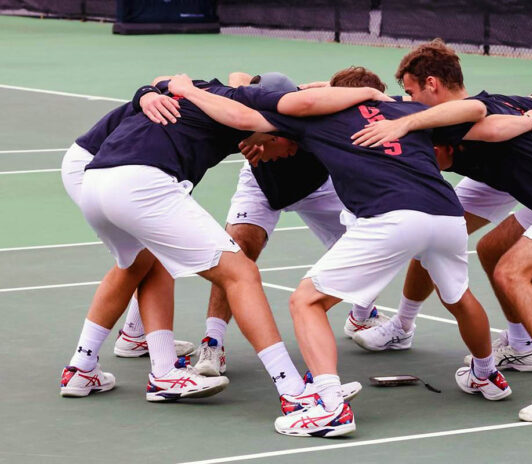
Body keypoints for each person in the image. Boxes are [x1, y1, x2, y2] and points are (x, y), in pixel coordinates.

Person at [167, 67, 532, 436]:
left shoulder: (316, 119)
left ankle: (330, 407)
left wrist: (189, 90)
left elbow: (240, 109)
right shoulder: (409, 108)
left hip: (392, 216)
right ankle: (485, 375)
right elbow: (477, 110)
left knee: (307, 302)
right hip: (446, 214)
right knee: (459, 298)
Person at [61, 75, 381, 405]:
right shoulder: (249, 105)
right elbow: (296, 105)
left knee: (141, 265)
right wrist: (371, 93)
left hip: (97, 183)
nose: (292, 152)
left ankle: (87, 367)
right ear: (274, 130)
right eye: (293, 142)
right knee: (241, 274)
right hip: (140, 182)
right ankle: (294, 392)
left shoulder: (206, 91)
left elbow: (165, 80)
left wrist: (148, 92)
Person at [352, 58, 532, 421]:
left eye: (412, 89)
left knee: (514, 273)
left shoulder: (471, 113)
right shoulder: (472, 111)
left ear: (432, 83)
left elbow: (499, 122)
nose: (408, 96)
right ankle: (516, 346)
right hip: (519, 185)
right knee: (455, 238)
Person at [194, 69, 388, 378]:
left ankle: (362, 315)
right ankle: (213, 343)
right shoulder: (272, 107)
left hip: (319, 188)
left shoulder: (328, 117)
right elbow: (238, 76)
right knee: (236, 251)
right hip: (262, 184)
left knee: (371, 241)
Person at [61, 89, 196, 361]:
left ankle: (133, 337)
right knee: (141, 259)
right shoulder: (202, 109)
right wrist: (144, 93)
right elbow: (156, 84)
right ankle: (84, 364)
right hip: (93, 165)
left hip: (123, 168)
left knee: (152, 255)